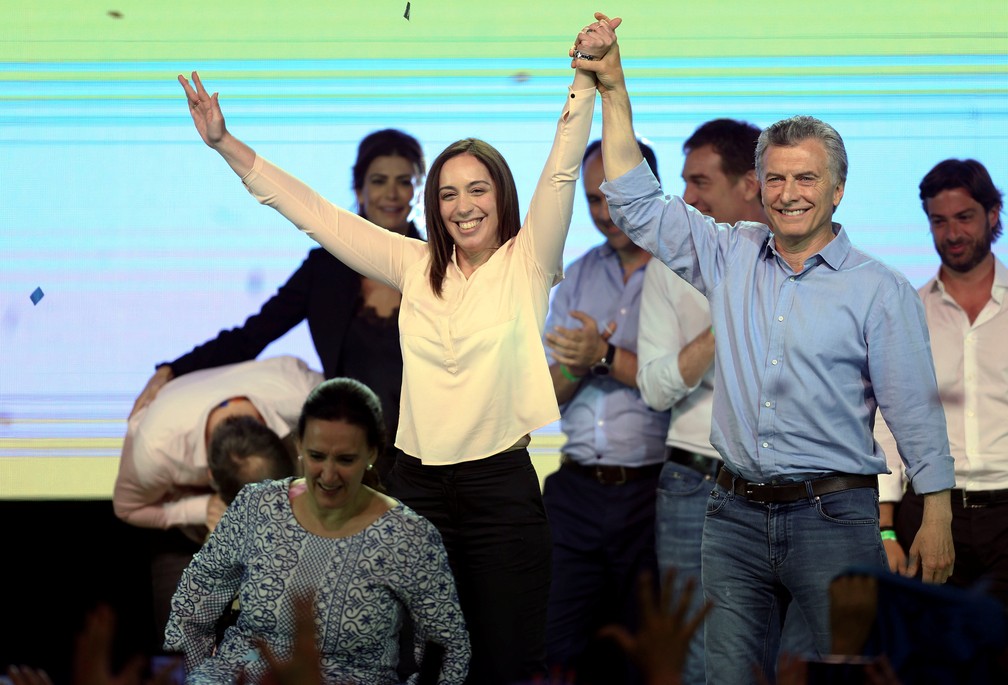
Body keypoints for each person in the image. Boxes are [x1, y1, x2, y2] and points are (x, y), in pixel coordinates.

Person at [177, 39, 599, 683]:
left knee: (506, 664)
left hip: (499, 492)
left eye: (477, 189)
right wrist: (226, 145)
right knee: (417, 667)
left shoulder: (529, 260)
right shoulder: (412, 264)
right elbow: (315, 216)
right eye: (449, 193)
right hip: (416, 490)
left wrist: (585, 79)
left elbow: (564, 167)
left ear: (501, 194)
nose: (463, 206)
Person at [571, 14, 955, 684]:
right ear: (759, 186)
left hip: (835, 516)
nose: (788, 194)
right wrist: (614, 87)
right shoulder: (729, 254)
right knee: (725, 677)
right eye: (776, 179)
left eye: (805, 179)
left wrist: (937, 513)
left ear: (837, 190)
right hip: (732, 514)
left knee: (829, 675)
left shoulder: (879, 289)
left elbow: (912, 409)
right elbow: (634, 202)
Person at [129, 127, 426, 486]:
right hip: (353, 466)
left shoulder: (437, 264)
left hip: (428, 459)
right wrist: (173, 370)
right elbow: (253, 335)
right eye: (379, 181)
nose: (392, 194)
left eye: (404, 182)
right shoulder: (324, 270)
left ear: (416, 190)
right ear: (359, 189)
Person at [164, 377, 470, 684]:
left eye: (345, 459)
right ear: (299, 445)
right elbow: (192, 605)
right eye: (316, 456)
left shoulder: (410, 537)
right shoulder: (256, 505)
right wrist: (187, 677)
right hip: (240, 674)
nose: (328, 474)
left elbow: (446, 649)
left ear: (372, 454)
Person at [635, 118, 766, 685]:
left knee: (780, 649)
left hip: (784, 481)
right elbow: (654, 385)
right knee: (695, 654)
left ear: (750, 184)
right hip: (694, 482)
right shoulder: (670, 266)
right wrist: (722, 328)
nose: (685, 197)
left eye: (699, 182)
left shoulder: (812, 262)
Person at [541, 137, 668, 682]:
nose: (603, 213)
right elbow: (547, 393)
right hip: (575, 489)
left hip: (654, 491)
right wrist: (580, 363)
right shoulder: (574, 275)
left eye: (613, 199)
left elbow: (683, 380)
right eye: (593, 200)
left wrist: (604, 355)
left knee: (645, 653)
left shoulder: (685, 273)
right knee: (558, 649)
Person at [114, 354, 321, 641]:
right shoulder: (156, 449)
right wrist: (200, 509)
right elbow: (127, 507)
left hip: (302, 508)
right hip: (188, 530)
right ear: (209, 476)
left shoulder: (309, 399)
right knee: (183, 638)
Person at [875, 159, 1008, 604]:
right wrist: (886, 528)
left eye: (964, 217)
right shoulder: (907, 312)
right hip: (930, 514)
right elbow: (887, 429)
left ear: (992, 215)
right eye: (939, 221)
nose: (952, 234)